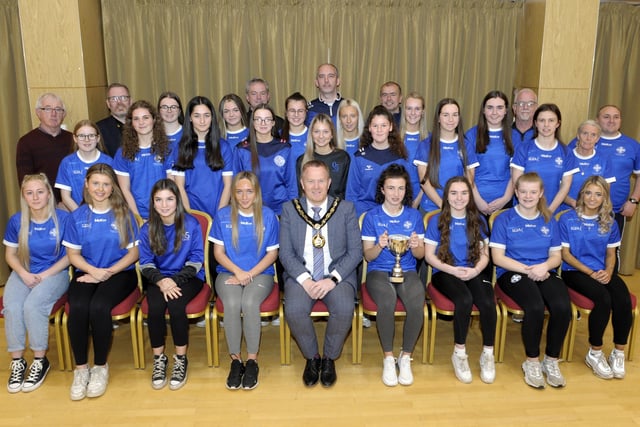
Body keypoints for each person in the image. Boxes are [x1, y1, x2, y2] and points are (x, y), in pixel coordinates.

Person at [279, 161, 362, 387]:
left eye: (321, 180)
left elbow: (355, 252)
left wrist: (332, 279)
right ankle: (312, 357)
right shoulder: (289, 209)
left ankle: (329, 358)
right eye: (310, 181)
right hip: (301, 274)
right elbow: (285, 253)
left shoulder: (345, 209)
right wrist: (305, 280)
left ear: (329, 182)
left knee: (345, 308)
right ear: (302, 184)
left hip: (337, 274)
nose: (316, 186)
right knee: (294, 310)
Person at [63, 163, 139, 400]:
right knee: (77, 307)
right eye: (96, 183)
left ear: (112, 187)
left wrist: (108, 272)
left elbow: (133, 253)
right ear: (86, 184)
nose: (100, 189)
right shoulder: (76, 217)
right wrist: (94, 271)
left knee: (98, 306)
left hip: (120, 273)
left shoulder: (124, 213)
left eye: (106, 184)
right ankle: (81, 369)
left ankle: (99, 367)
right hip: (87, 271)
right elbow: (73, 255)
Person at [489, 172, 572, 389]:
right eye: (523, 191)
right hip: (512, 272)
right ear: (516, 193)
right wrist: (530, 270)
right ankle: (532, 361)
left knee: (563, 306)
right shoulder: (504, 219)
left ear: (541, 194)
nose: (528, 196)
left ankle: (551, 360)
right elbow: (498, 258)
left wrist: (544, 267)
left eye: (533, 192)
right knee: (534, 306)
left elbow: (556, 256)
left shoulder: (548, 219)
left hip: (544, 271)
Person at [210, 172, 279, 390]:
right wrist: (238, 272)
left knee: (249, 303)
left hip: (261, 273)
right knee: (231, 304)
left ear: (256, 192)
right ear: (233, 193)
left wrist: (248, 274)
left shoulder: (268, 216)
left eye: (249, 191)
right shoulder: (223, 216)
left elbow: (272, 255)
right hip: (228, 272)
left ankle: (252, 361)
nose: (244, 196)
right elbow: (218, 253)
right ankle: (235, 360)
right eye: (239, 191)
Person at [425, 176, 496, 384]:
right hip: (444, 272)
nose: (459, 198)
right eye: (454, 193)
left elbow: (485, 255)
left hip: (472, 270)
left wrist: (475, 271)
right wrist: (451, 270)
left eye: (464, 193)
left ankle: (488, 354)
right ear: (447, 195)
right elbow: (430, 256)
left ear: (470, 195)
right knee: (463, 299)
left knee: (487, 301)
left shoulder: (479, 220)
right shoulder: (437, 220)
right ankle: (459, 353)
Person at [559, 176, 632, 380]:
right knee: (603, 299)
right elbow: (566, 255)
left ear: (604, 198)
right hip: (574, 271)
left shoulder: (609, 221)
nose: (592, 198)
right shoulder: (567, 219)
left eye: (598, 194)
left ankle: (618, 352)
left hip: (602, 270)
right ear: (582, 194)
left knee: (623, 298)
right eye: (588, 193)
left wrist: (608, 271)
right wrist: (590, 273)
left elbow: (611, 254)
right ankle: (595, 351)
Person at [3, 174, 70, 393]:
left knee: (33, 306)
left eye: (40, 191)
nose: (35, 197)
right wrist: (23, 274)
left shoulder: (63, 218)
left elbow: (71, 255)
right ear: (23, 196)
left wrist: (46, 275)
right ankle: (18, 360)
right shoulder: (17, 220)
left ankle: (40, 360)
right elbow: (10, 255)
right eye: (29, 193)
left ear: (49, 193)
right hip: (25, 272)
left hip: (55, 273)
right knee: (12, 306)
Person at [361, 164, 425, 387]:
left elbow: (420, 255)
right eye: (391, 188)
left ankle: (405, 356)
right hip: (378, 271)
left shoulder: (414, 216)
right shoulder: (372, 217)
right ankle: (388, 357)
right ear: (382, 190)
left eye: (400, 188)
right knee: (386, 301)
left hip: (406, 269)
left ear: (406, 190)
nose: (396, 194)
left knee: (417, 303)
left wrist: (416, 245)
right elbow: (368, 257)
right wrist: (379, 246)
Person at [139, 179, 205, 391]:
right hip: (158, 278)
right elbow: (146, 263)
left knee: (177, 307)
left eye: (169, 199)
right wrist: (161, 281)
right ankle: (159, 360)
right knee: (155, 308)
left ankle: (180, 359)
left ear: (177, 200)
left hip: (188, 277)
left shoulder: (191, 224)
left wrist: (173, 281)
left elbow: (196, 260)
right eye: (159, 200)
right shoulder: (148, 228)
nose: (164, 205)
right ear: (153, 203)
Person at [172, 96, 232, 219]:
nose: (202, 121)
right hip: (192, 213)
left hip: (219, 211)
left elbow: (228, 185)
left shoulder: (223, 146)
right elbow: (179, 186)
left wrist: (220, 215)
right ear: (190, 118)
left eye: (207, 115)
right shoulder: (180, 148)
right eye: (197, 116)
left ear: (212, 118)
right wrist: (190, 216)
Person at [510, 103, 578, 214]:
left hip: (552, 211)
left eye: (551, 120)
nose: (546, 125)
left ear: (558, 124)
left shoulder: (566, 152)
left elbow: (565, 186)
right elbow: (517, 183)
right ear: (535, 123)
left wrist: (549, 211)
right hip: (524, 210)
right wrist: (530, 211)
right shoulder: (523, 148)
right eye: (542, 120)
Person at [346, 105, 412, 217]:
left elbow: (406, 195)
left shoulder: (400, 158)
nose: (379, 130)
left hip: (392, 214)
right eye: (375, 126)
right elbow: (351, 195)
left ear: (390, 127)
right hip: (363, 215)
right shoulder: (359, 158)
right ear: (370, 128)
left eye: (383, 125)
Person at [414, 98, 478, 214]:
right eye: (445, 115)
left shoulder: (466, 145)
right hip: (430, 208)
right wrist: (443, 205)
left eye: (455, 115)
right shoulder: (426, 145)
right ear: (438, 118)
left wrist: (456, 204)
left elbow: (469, 180)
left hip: (458, 207)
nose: (450, 119)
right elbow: (424, 181)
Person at [233, 103, 297, 216]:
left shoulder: (284, 148)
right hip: (250, 209)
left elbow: (291, 184)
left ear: (273, 123)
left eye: (267, 119)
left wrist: (293, 211)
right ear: (252, 123)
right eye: (258, 119)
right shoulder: (241, 150)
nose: (263, 123)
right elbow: (235, 185)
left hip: (280, 210)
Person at [113, 100, 173, 219]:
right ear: (131, 123)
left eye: (145, 117)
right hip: (137, 214)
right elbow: (125, 190)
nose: (141, 122)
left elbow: (171, 185)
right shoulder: (122, 153)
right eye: (136, 119)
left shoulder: (168, 149)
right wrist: (138, 218)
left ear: (154, 120)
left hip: (164, 213)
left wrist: (166, 215)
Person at [16, 93, 73, 205]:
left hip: (74, 202)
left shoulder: (73, 139)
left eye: (58, 109)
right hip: (44, 205)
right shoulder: (26, 142)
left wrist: (68, 202)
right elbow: (26, 181)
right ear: (38, 113)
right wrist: (53, 204)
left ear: (64, 114)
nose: (53, 113)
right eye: (47, 109)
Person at [466, 90, 515, 216]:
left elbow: (516, 175)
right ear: (483, 110)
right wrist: (478, 201)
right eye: (490, 108)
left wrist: (505, 199)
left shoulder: (513, 137)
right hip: (475, 201)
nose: (494, 113)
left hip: (504, 202)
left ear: (506, 111)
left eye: (499, 108)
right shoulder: (471, 135)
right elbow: (468, 174)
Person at [594, 105, 640, 234]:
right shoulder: (585, 140)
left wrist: (633, 201)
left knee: (611, 251)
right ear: (597, 120)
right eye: (606, 117)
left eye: (616, 117)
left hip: (616, 210)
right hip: (584, 209)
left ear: (620, 120)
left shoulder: (632, 145)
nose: (611, 121)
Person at [55, 120, 113, 212]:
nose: (87, 140)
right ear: (75, 138)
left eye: (91, 135)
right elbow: (66, 197)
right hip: (77, 213)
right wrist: (81, 216)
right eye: (82, 136)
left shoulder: (109, 162)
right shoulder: (67, 163)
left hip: (104, 213)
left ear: (98, 138)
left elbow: (112, 193)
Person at [562, 120, 615, 211]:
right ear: (578, 135)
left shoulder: (604, 159)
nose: (588, 138)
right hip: (565, 209)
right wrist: (573, 203)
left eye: (593, 135)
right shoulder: (565, 157)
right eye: (585, 133)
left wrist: (589, 206)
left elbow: (605, 190)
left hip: (592, 211)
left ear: (598, 139)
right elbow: (557, 187)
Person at [296, 113, 350, 199]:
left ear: (332, 134)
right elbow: (301, 194)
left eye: (325, 132)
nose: (321, 136)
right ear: (311, 134)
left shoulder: (343, 157)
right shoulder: (302, 160)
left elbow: (347, 191)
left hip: (338, 208)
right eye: (317, 132)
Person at [398, 92, 429, 208]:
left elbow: (430, 177)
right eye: (409, 108)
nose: (413, 113)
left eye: (417, 109)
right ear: (404, 111)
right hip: (397, 200)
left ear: (422, 112)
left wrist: (417, 201)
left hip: (422, 201)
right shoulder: (393, 139)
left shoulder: (429, 140)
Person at [97, 83, 132, 156]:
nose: (119, 102)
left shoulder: (142, 125)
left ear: (130, 101)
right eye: (114, 99)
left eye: (123, 98)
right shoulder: (98, 129)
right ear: (108, 104)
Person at [281, 92, 309, 161]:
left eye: (300, 111)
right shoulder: (277, 136)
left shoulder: (313, 135)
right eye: (292, 110)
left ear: (306, 113)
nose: (296, 114)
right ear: (286, 113)